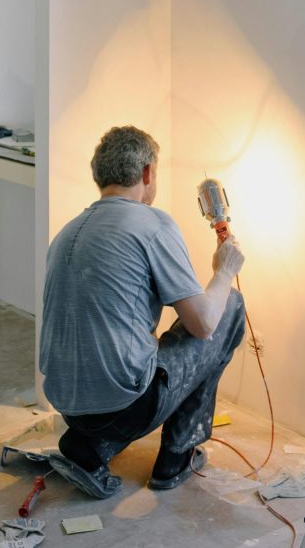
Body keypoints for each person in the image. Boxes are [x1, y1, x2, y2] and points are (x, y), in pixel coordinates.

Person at [39, 124, 245, 498]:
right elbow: (203, 323)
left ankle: (89, 446)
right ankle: (176, 457)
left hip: (67, 404)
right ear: (148, 172)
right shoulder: (152, 224)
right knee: (228, 306)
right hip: (126, 407)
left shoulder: (67, 232)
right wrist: (224, 271)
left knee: (140, 348)